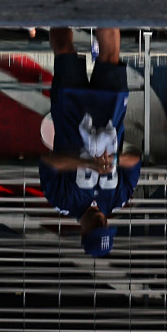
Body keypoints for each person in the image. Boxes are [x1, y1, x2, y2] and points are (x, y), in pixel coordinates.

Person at [39, 27, 140, 256]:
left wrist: (85, 163)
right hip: (109, 114)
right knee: (110, 56)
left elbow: (47, 162)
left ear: (83, 232)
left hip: (71, 113)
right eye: (105, 226)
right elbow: (135, 160)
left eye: (96, 227)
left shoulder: (62, 201)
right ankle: (105, 7)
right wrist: (114, 161)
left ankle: (58, 8)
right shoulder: (118, 199)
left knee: (64, 50)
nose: (101, 222)